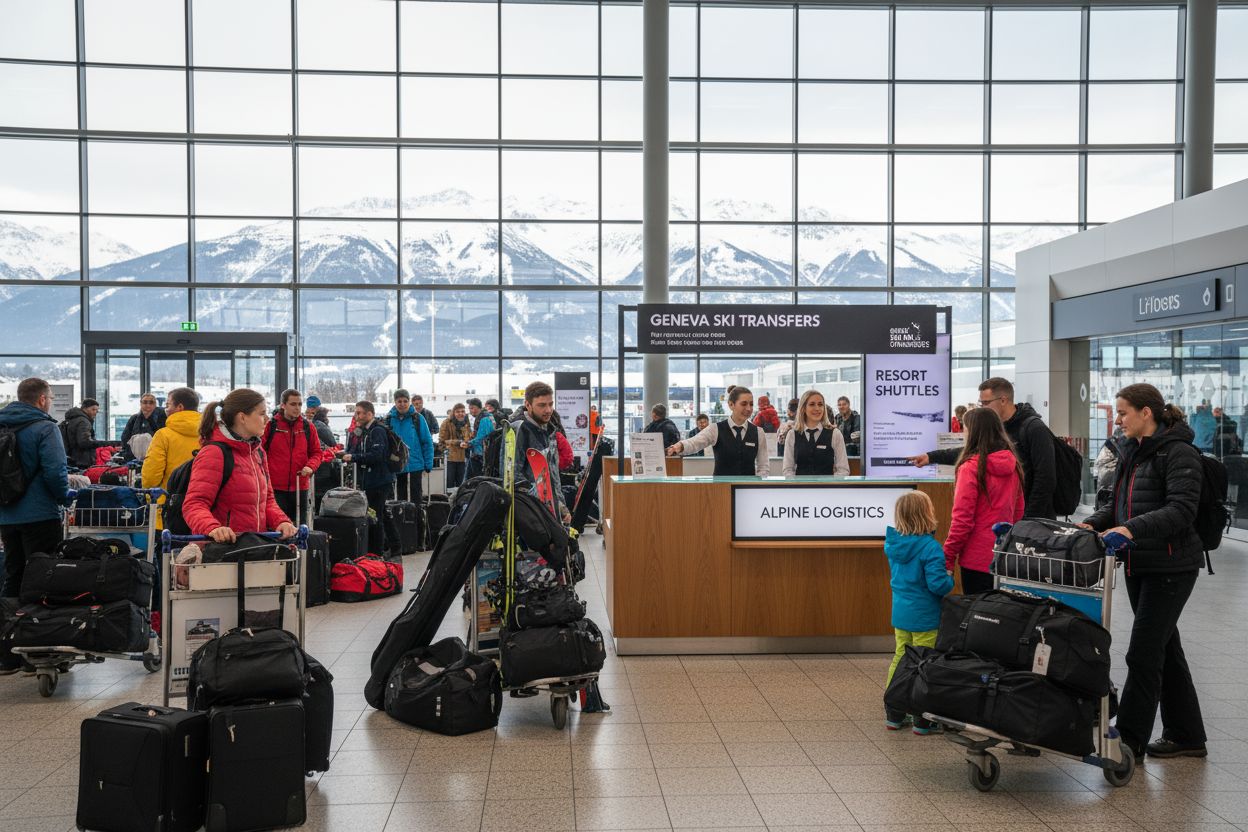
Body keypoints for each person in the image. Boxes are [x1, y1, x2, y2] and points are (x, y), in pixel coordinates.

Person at [1081, 383, 1207, 760]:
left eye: (1122, 413)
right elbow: (1118, 506)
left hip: (1171, 566)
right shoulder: (1132, 453)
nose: (1117, 420)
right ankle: (1187, 735)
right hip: (1139, 562)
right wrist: (1094, 523)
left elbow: (1182, 510)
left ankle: (1130, 742)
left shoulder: (1180, 453)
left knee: (1144, 653)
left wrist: (1131, 529)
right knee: (1165, 649)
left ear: (1146, 413)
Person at [907, 378, 1057, 520]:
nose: (982, 408)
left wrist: (1029, 519)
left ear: (1003, 400)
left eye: (985, 403)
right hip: (1008, 519)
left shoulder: (1034, 428)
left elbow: (1045, 478)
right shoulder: (996, 427)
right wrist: (931, 457)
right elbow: (975, 451)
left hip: (1033, 520)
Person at [0, 378, 70, 655]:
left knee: (13, 575)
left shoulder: (2, 424)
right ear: (42, 399)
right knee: (43, 576)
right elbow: (55, 472)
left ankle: (7, 650)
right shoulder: (45, 428)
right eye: (50, 398)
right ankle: (39, 647)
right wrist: (64, 496)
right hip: (40, 513)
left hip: (6, 515)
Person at [182, 389, 295, 543]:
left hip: (253, 547)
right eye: (262, 414)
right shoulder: (214, 453)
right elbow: (194, 504)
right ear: (242, 417)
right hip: (220, 553)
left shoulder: (257, 452)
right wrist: (213, 528)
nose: (267, 419)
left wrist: (281, 521)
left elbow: (267, 500)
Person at [883, 490, 954, 733]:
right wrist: (949, 578)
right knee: (925, 662)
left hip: (901, 614)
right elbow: (937, 586)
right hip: (925, 616)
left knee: (901, 658)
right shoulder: (930, 548)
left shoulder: (893, 545)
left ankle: (894, 711)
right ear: (927, 514)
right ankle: (922, 718)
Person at [942, 407, 1024, 595]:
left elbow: (962, 521)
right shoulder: (1013, 464)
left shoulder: (970, 468)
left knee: (979, 618)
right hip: (1005, 556)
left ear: (973, 432)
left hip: (976, 559)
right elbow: (1018, 512)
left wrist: (948, 556)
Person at [666, 386, 768, 477]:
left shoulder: (759, 432)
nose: (749, 408)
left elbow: (763, 466)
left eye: (751, 404)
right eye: (744, 404)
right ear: (731, 405)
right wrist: (679, 446)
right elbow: (694, 443)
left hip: (747, 491)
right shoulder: (715, 429)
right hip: (720, 490)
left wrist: (758, 486)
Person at [142, 387, 202, 530]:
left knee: (170, 550)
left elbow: (151, 476)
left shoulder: (163, 435)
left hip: (170, 506)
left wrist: (149, 496)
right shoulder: (210, 433)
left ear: (180, 407)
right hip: (204, 508)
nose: (165, 409)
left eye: (168, 405)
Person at [343, 400, 397, 554]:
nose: (356, 416)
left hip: (379, 481)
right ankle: (394, 545)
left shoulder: (377, 431)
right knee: (379, 514)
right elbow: (355, 449)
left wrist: (353, 457)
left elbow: (377, 456)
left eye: (359, 413)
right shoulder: (362, 431)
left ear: (369, 414)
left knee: (376, 517)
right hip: (370, 481)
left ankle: (377, 552)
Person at [262, 389, 322, 523]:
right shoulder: (270, 426)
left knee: (300, 528)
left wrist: (310, 467)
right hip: (275, 488)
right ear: (283, 405)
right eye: (293, 404)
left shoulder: (308, 427)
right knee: (276, 527)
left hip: (300, 486)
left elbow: (317, 453)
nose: (297, 408)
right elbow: (259, 453)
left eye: (300, 404)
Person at [511, 382, 567, 519]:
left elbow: (553, 475)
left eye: (550, 404)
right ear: (528, 405)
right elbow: (513, 477)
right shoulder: (519, 431)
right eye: (542, 405)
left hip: (552, 509)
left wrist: (560, 504)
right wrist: (550, 504)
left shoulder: (549, 429)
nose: (548, 410)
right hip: (532, 513)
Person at [388, 390, 434, 537]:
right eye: (399, 401)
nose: (402, 404)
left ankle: (418, 533)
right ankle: (404, 531)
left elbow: (427, 442)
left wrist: (428, 462)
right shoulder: (389, 420)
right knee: (400, 498)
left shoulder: (418, 419)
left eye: (405, 401)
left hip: (415, 464)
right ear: (395, 402)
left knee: (416, 499)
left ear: (409, 402)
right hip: (397, 465)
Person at [782, 390, 849, 477]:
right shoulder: (792, 434)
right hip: (800, 489)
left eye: (820, 404)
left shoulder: (835, 434)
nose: (817, 408)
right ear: (803, 408)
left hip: (828, 489)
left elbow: (843, 470)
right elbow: (787, 470)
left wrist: (830, 487)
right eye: (812, 404)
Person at [61, 397, 111, 469]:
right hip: (82, 461)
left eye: (97, 411)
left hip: (71, 458)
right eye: (93, 409)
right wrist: (105, 444)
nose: (95, 413)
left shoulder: (72, 419)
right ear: (84, 408)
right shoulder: (84, 422)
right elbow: (84, 442)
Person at [119, 393, 166, 461]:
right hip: (134, 458)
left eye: (151, 402)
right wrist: (128, 455)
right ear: (140, 404)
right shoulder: (134, 419)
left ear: (155, 404)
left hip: (155, 456)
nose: (148, 405)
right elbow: (125, 438)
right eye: (145, 402)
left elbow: (163, 437)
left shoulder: (162, 418)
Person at [439, 403, 473, 489]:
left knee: (461, 485)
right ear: (453, 413)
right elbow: (442, 441)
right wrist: (458, 442)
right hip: (450, 458)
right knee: (449, 484)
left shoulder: (467, 422)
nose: (461, 413)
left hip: (464, 457)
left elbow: (469, 437)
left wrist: (468, 442)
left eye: (462, 411)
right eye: (458, 412)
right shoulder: (447, 422)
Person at [466, 398, 496, 479]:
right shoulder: (487, 416)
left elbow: (482, 438)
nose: (470, 411)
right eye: (469, 409)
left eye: (472, 408)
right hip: (482, 454)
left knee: (475, 480)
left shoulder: (484, 419)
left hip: (481, 455)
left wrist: (469, 443)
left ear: (478, 407)